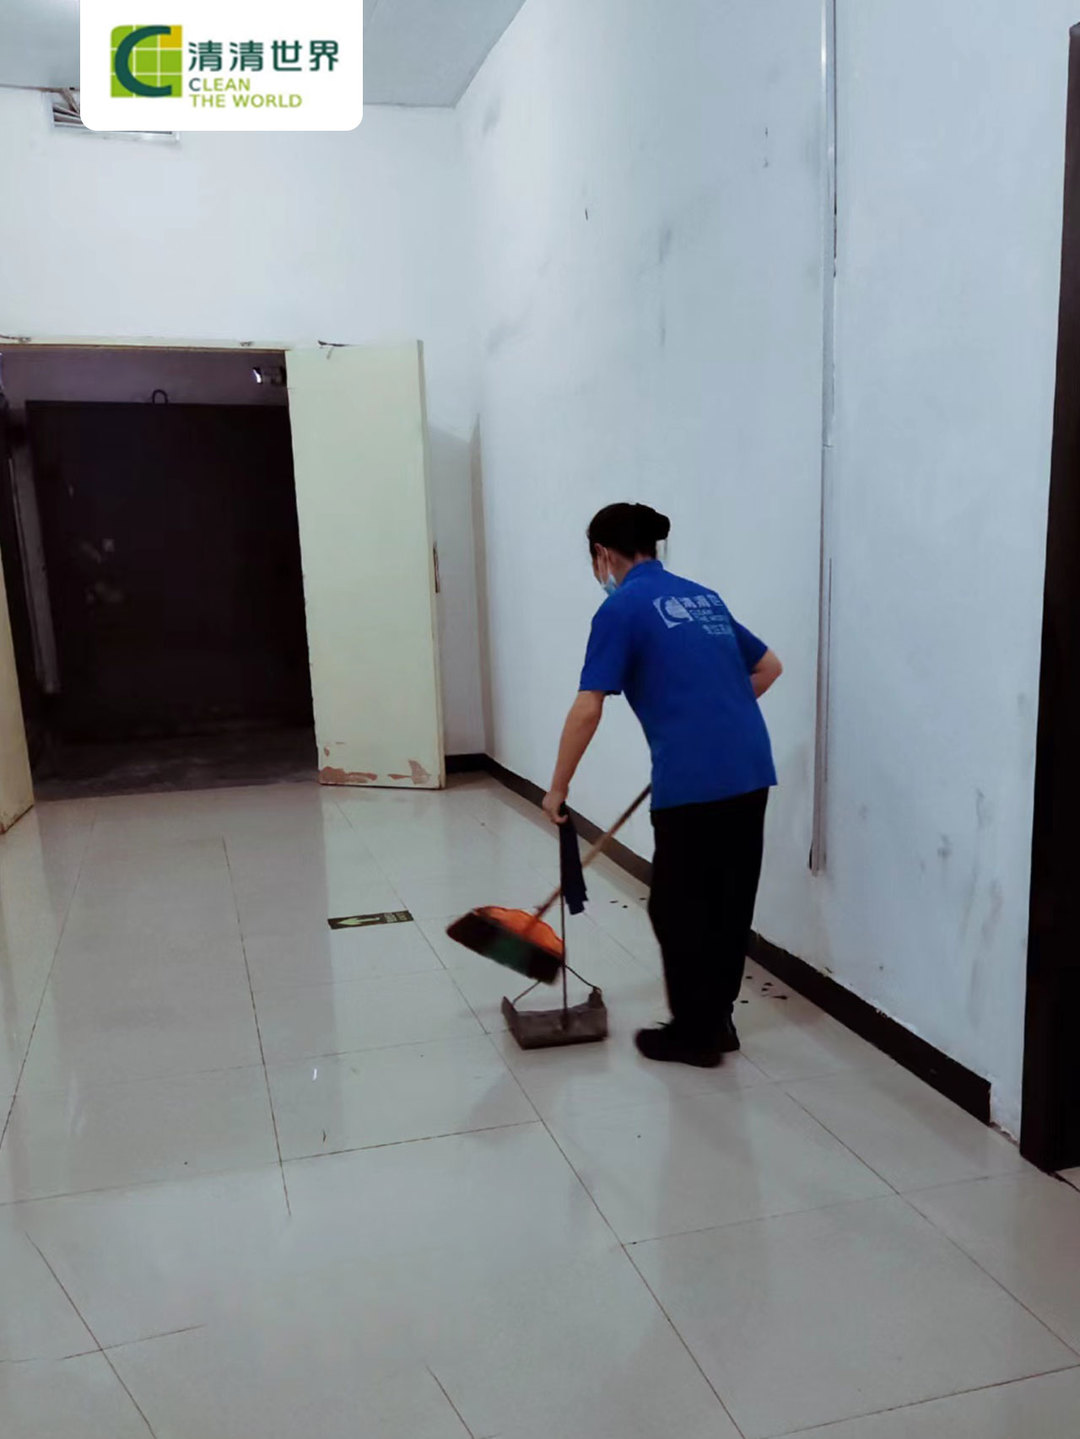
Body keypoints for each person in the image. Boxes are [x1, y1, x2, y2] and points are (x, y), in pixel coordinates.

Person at [542, 503, 782, 1067]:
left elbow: (588, 706)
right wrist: (713, 720)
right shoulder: (703, 598)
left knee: (676, 908)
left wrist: (556, 789)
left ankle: (694, 1036)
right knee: (728, 901)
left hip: (694, 779)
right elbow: (769, 667)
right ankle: (717, 1022)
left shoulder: (621, 608)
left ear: (602, 553)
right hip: (750, 768)